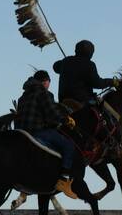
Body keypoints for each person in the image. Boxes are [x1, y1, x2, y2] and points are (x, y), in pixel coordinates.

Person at [16, 69, 78, 198]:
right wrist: (66, 120)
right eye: (49, 82)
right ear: (45, 82)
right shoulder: (44, 93)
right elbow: (52, 114)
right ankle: (63, 180)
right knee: (69, 146)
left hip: (21, 133)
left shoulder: (23, 96)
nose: (49, 85)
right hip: (37, 132)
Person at [53, 39, 117, 109]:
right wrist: (112, 81)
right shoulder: (90, 65)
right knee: (105, 112)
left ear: (76, 50)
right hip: (82, 102)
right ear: (91, 54)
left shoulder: (66, 61)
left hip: (63, 100)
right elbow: (97, 83)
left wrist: (68, 62)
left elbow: (55, 67)